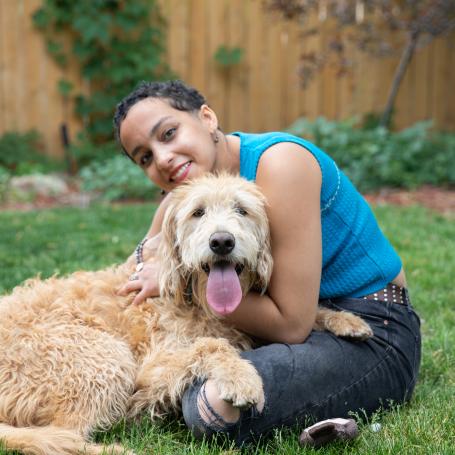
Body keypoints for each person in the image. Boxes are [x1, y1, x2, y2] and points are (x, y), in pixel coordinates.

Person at [113, 80, 421, 446]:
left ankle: (330, 400)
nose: (162, 158)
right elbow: (139, 264)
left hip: (370, 329)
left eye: (168, 133)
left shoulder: (281, 164)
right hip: (296, 327)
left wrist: (181, 283)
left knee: (213, 404)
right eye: (145, 157)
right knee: (211, 381)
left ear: (207, 118)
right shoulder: (186, 195)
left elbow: (292, 325)